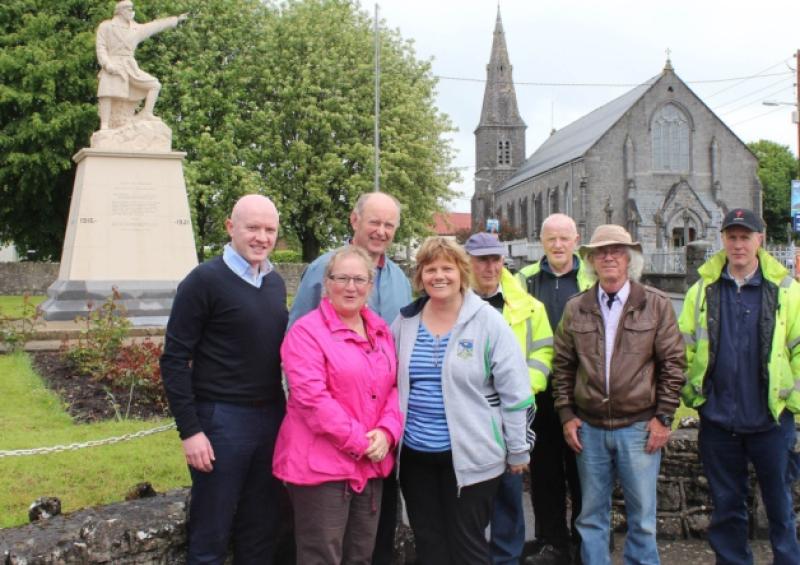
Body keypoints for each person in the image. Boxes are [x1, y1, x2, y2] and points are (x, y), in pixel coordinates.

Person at [160, 194, 287, 564]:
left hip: (271, 418)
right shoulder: (203, 281)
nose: (262, 237)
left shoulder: (275, 283)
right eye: (253, 228)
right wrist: (190, 431)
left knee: (260, 530)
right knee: (210, 534)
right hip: (221, 421)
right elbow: (174, 360)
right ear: (231, 227)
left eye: (270, 229)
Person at [392, 236, 533, 564]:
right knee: (429, 545)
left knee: (467, 546)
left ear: (461, 272)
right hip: (416, 457)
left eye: (447, 268)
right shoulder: (405, 321)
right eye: (430, 269)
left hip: (473, 457)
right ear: (420, 276)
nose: (439, 276)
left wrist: (518, 448)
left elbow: (515, 391)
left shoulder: (487, 321)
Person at [289, 191, 412, 565]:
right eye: (374, 221)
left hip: (377, 449)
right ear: (354, 220)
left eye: (389, 224)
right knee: (324, 551)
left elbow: (394, 375)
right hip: (327, 448)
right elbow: (304, 377)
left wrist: (386, 433)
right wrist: (357, 438)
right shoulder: (322, 270)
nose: (381, 231)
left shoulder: (398, 283)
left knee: (367, 549)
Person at [552, 224, 685, 565]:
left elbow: (673, 364)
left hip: (639, 427)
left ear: (629, 259)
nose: (608, 257)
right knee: (591, 517)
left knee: (643, 519)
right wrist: (566, 414)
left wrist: (663, 417)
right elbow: (563, 366)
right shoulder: (576, 307)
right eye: (601, 252)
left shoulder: (655, 304)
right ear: (592, 261)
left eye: (616, 251)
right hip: (590, 429)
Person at [679, 208, 800, 565]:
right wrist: (695, 396)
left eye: (745, 237)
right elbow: (683, 351)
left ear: (760, 240)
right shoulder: (701, 291)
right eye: (731, 237)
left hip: (771, 421)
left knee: (780, 507)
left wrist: (791, 400)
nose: (738, 245)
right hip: (719, 421)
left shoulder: (787, 291)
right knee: (727, 508)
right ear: (723, 240)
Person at [464, 232, 553, 565]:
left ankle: (506, 559)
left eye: (495, 260)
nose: (490, 267)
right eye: (481, 260)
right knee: (468, 501)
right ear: (468, 263)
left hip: (511, 415)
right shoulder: (451, 305)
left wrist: (523, 387)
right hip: (468, 415)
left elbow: (544, 352)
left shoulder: (530, 307)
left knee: (508, 496)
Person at [517, 213, 594, 565]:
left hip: (583, 394)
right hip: (540, 393)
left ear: (576, 240)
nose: (558, 245)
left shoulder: (590, 278)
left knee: (584, 475)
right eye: (552, 239)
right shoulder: (524, 280)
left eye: (565, 238)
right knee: (545, 473)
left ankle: (584, 543)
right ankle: (552, 543)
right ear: (542, 241)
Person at [96, 1, 187, 130]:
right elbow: (101, 48)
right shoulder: (106, 26)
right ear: (121, 11)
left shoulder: (136, 28)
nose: (131, 12)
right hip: (113, 63)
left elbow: (155, 25)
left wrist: (175, 20)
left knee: (154, 85)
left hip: (130, 66)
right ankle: (104, 125)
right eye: (129, 9)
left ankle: (147, 113)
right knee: (106, 92)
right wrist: (107, 64)